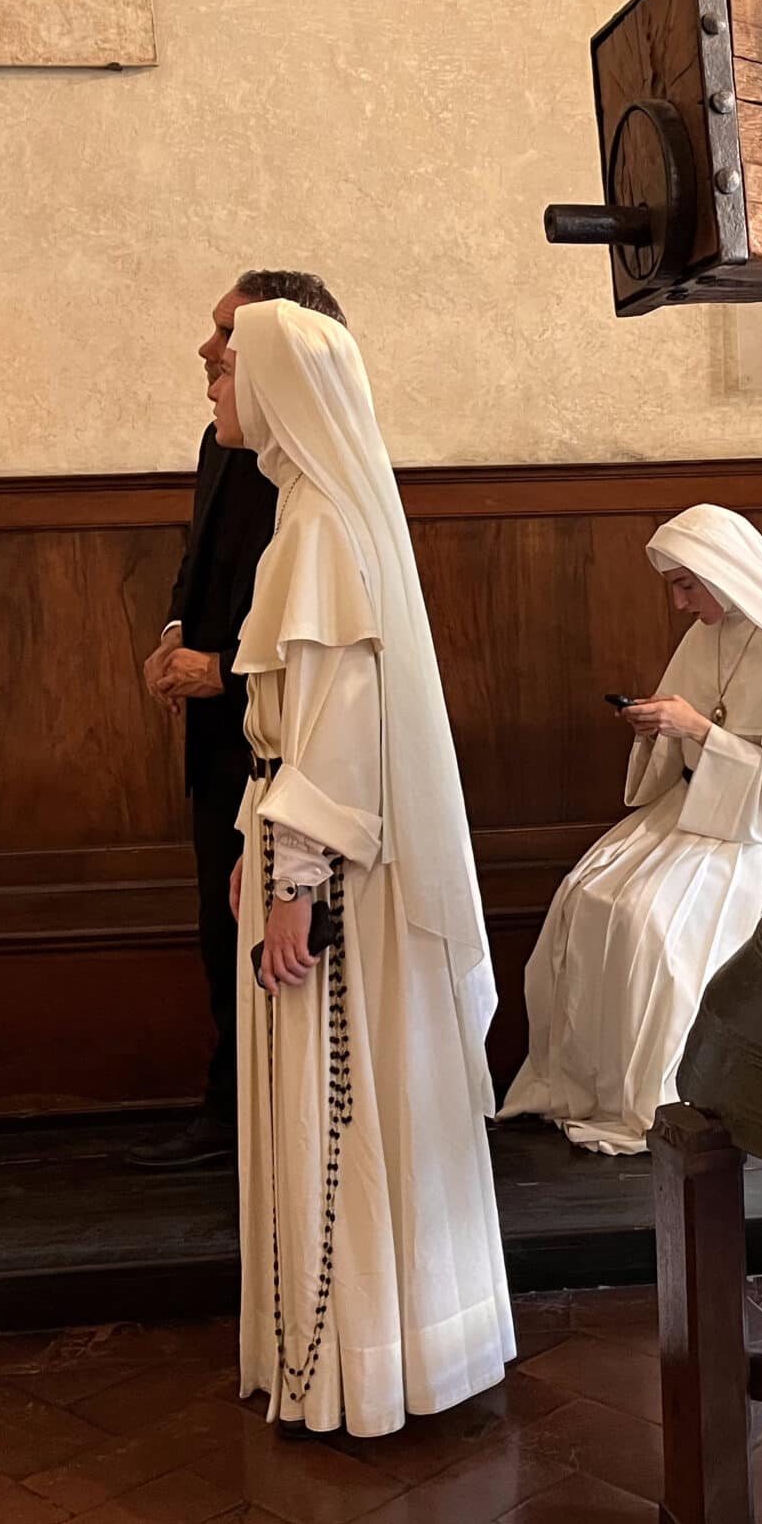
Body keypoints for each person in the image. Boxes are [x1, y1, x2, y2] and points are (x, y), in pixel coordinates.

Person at [210, 296, 512, 1435]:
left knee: (341, 1111)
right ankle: (367, 1353)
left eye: (230, 364)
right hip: (308, 852)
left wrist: (291, 882)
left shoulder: (322, 532)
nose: (214, 380)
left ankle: (358, 1367)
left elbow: (333, 737)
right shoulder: (317, 518)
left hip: (333, 881)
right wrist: (261, 846)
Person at [499, 506, 762, 1155]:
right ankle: (591, 1086)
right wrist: (658, 729)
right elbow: (682, 745)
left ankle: (665, 1098)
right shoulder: (707, 636)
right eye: (674, 587)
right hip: (691, 810)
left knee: (652, 922)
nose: (679, 604)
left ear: (726, 576)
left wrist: (699, 730)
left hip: (752, 832)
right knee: (588, 895)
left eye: (686, 585)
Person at [130, 270, 348, 1171]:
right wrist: (176, 633)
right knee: (220, 912)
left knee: (276, 929)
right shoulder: (226, 443)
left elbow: (320, 643)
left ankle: (274, 1113)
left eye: (227, 332)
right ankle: (232, 1100)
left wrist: (222, 668)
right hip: (222, 737)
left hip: (282, 733)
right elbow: (200, 557)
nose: (207, 350)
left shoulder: (319, 477)